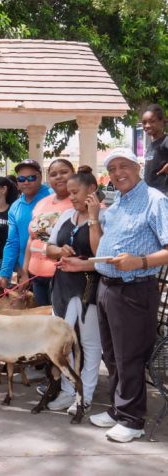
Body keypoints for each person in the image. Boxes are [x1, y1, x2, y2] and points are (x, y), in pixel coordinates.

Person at [89, 148, 168, 443]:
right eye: (112, 169)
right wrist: (94, 218)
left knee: (130, 357)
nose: (118, 173)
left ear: (138, 167)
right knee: (111, 355)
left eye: (124, 166)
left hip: (135, 289)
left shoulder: (156, 201)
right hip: (108, 286)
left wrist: (141, 261)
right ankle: (118, 409)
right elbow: (100, 251)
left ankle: (133, 419)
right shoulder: (118, 201)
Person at [45, 167, 103, 413]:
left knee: (89, 343)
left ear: (92, 190)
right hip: (62, 286)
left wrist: (93, 217)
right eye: (70, 193)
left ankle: (85, 394)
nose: (73, 198)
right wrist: (60, 251)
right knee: (63, 342)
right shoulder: (67, 215)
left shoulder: (104, 217)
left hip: (87, 287)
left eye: (76, 192)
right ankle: (69, 391)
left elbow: (100, 253)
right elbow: (49, 248)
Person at [20, 159, 74, 306]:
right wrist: (25, 272)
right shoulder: (42, 203)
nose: (59, 177)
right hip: (35, 276)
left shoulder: (79, 202)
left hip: (62, 276)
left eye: (64, 172)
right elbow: (32, 239)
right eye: (53, 174)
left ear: (73, 174)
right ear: (48, 179)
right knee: (43, 324)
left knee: (59, 323)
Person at [0, 159, 52, 289]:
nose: (26, 182)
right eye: (21, 179)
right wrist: (4, 274)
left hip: (53, 270)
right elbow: (12, 242)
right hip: (26, 272)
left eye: (31, 177)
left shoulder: (52, 197)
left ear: (40, 177)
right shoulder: (15, 207)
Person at [142, 104, 168, 194]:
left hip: (163, 193)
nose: (147, 125)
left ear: (162, 121)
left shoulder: (165, 141)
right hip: (150, 193)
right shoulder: (151, 146)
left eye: (151, 121)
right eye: (144, 122)